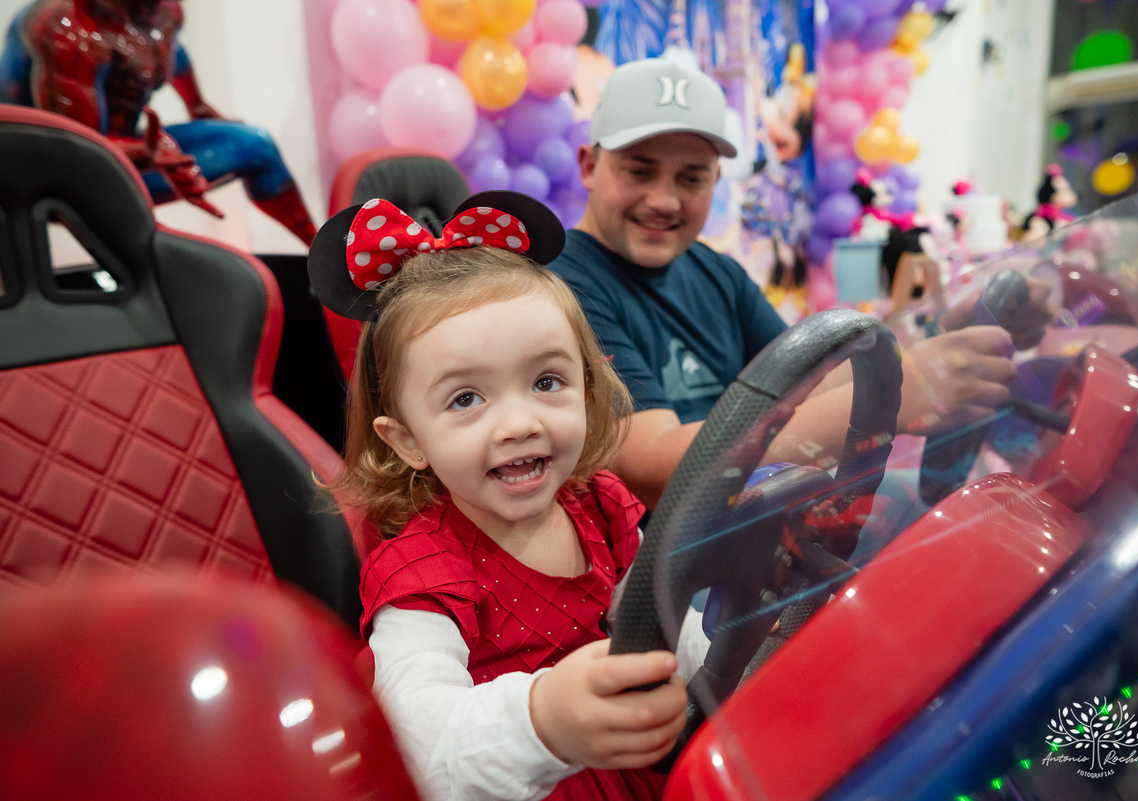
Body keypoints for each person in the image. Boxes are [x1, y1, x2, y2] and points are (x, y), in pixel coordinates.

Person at [306, 190, 710, 801]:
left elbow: (667, 617)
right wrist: (544, 721)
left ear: (589, 386)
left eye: (547, 381)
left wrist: (730, 644)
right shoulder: (421, 578)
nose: (519, 423)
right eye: (466, 399)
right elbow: (423, 747)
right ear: (409, 440)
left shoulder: (601, 503)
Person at [550, 57, 1042, 508]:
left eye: (691, 178)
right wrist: (888, 397)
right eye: (640, 171)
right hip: (654, 580)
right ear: (590, 168)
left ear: (715, 181)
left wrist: (932, 332)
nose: (665, 200)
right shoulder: (561, 286)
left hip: (752, 536)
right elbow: (656, 471)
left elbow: (811, 377)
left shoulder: (715, 271)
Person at [1, 0, 318, 245]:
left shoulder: (163, 11)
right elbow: (76, 153)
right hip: (52, 176)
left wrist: (198, 105)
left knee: (256, 145)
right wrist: (147, 153)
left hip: (124, 153)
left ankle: (329, 261)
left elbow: (168, 51)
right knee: (177, 262)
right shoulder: (68, 28)